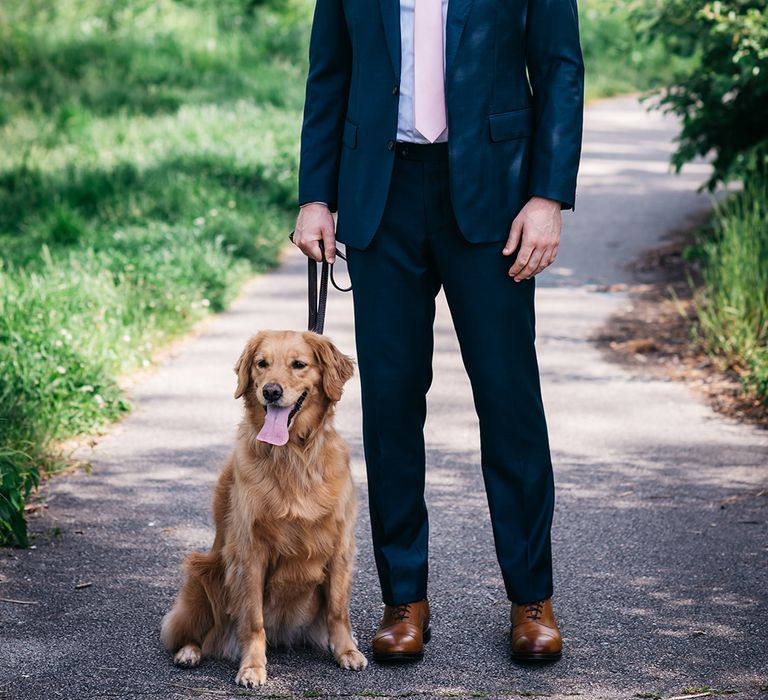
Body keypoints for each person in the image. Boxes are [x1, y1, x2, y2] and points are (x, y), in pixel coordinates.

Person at [292, 0, 584, 664]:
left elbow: (560, 68)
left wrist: (547, 197)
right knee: (391, 404)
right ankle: (404, 601)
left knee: (510, 402)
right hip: (380, 195)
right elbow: (329, 73)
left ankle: (531, 599)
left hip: (495, 194)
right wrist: (316, 195)